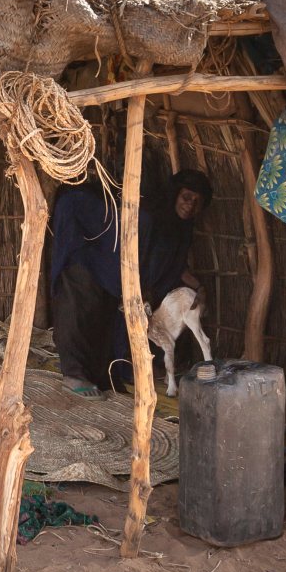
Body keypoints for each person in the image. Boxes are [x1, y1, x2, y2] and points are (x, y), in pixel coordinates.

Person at [49, 169, 212, 399]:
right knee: (80, 309)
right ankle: (73, 374)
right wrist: (136, 288)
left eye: (197, 202)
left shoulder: (180, 228)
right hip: (90, 255)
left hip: (117, 273)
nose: (190, 205)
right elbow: (132, 255)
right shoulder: (149, 216)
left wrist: (199, 288)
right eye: (187, 197)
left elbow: (174, 265)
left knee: (105, 321)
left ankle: (100, 375)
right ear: (176, 194)